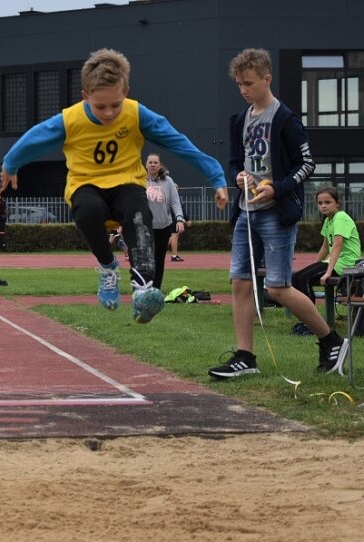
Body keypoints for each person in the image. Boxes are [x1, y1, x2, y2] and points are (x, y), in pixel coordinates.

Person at [0, 48, 228, 324]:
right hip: (86, 184)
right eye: (100, 106)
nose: (109, 113)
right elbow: (36, 138)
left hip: (126, 182)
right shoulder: (70, 119)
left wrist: (215, 176)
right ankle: (108, 268)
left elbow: (177, 141)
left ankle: (143, 290)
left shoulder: (136, 114)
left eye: (115, 105)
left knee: (139, 214)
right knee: (88, 211)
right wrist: (11, 164)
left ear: (127, 92)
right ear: (85, 95)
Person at [207, 48, 348, 378]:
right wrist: (237, 177)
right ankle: (245, 357)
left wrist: (279, 188)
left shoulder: (285, 118)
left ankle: (332, 340)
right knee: (240, 283)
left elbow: (308, 163)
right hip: (245, 212)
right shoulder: (240, 120)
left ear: (266, 79)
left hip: (275, 213)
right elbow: (233, 162)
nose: (244, 90)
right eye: (239, 84)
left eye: (249, 83)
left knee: (277, 287)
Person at [292, 186, 361, 305]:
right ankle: (303, 315)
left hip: (347, 263)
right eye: (320, 203)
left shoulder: (340, 217)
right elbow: (325, 247)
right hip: (334, 262)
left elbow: (337, 246)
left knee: (304, 279)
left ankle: (310, 320)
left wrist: (328, 272)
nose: (323, 205)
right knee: (296, 277)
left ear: (337, 204)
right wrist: (315, 265)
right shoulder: (328, 220)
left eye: (328, 202)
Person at [145, 153, 185, 290]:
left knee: (159, 260)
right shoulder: (140, 180)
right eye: (150, 162)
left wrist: (179, 219)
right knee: (145, 261)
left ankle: (156, 289)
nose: (153, 165)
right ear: (146, 165)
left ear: (160, 165)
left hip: (163, 227)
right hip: (145, 228)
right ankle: (144, 289)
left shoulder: (168, 181)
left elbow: (175, 202)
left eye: (155, 162)